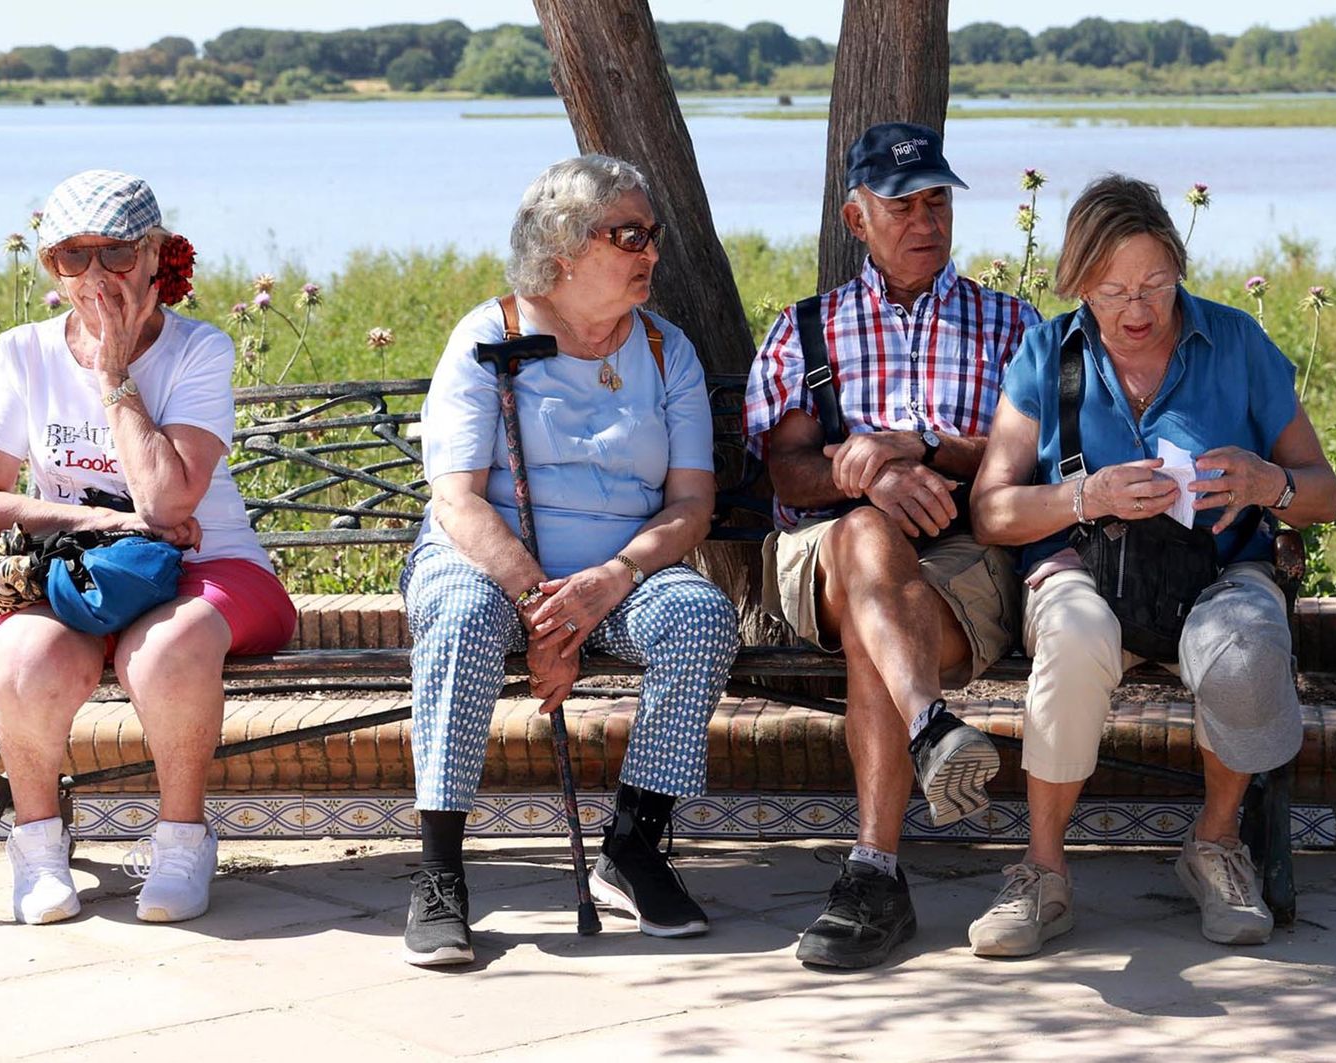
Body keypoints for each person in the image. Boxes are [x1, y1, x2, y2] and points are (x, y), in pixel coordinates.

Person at [968, 174, 1336, 955]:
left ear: (1179, 267)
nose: (1137, 311)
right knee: (1069, 641)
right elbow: (993, 509)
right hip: (1086, 577)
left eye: (1155, 286)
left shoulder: (1235, 342)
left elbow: (1324, 493)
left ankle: (1212, 846)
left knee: (1247, 645)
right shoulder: (1046, 352)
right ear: (1077, 282)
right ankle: (1043, 874)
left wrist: (1268, 481)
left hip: (1219, 572)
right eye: (1111, 291)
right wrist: (1085, 495)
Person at [401, 154, 740, 967]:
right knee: (459, 614)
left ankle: (634, 843)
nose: (650, 251)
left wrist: (612, 578)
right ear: (563, 249)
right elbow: (458, 500)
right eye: (629, 235)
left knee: (700, 615)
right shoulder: (492, 338)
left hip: (618, 572)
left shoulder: (666, 351)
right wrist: (541, 606)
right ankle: (439, 872)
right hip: (486, 561)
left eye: (651, 234)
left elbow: (691, 504)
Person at [0, 170, 296, 925]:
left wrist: (113, 375)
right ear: (51, 268)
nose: (96, 275)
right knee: (19, 658)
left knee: (166, 649)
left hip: (212, 568)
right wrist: (98, 524)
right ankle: (37, 847)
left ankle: (181, 840)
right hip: (83, 576)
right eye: (73, 257)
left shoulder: (199, 349)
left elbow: (172, 502)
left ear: (154, 255)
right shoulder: (24, 353)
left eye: (114, 252)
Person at [745, 122, 1041, 970]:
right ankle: (932, 724)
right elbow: (788, 469)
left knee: (875, 639)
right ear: (855, 217)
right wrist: (858, 470)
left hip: (964, 562)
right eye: (902, 204)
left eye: (938, 200)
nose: (926, 220)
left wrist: (924, 447)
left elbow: (1037, 463)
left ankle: (876, 876)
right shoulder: (808, 330)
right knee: (868, 533)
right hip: (822, 555)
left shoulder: (1010, 324)